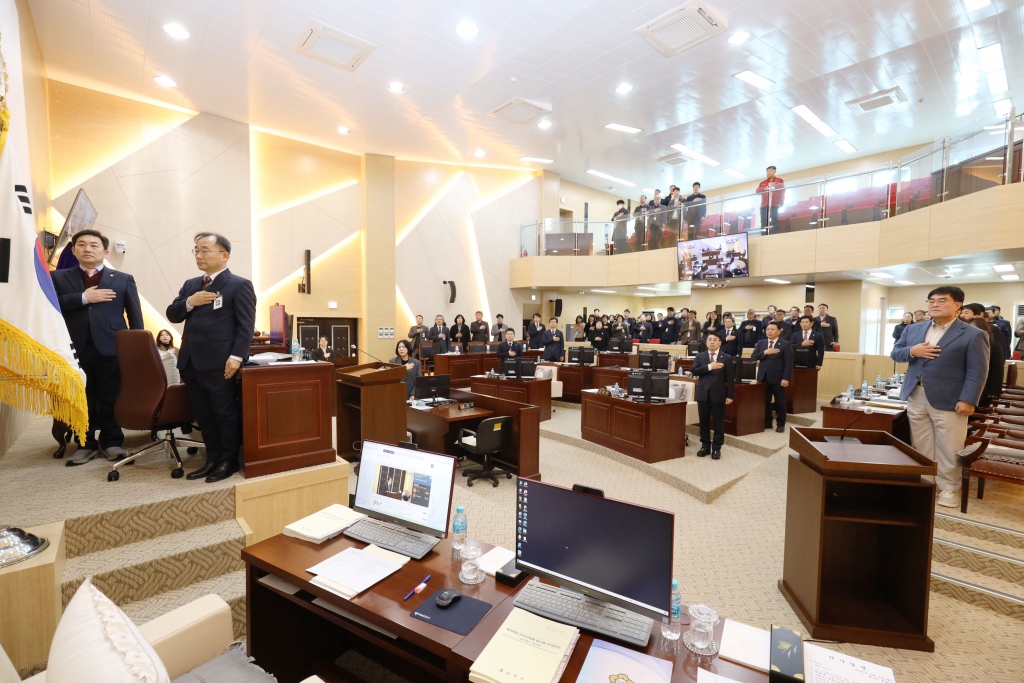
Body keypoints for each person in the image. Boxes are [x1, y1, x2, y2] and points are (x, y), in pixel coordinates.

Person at [167, 232, 256, 483]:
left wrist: (237, 356)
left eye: (205, 250)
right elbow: (173, 314)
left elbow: (245, 326)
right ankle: (212, 459)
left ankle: (227, 461)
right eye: (196, 250)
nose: (199, 255)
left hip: (220, 362)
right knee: (203, 414)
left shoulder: (239, 284)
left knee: (223, 413)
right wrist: (190, 302)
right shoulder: (190, 285)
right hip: (191, 361)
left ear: (224, 255)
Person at [51, 229, 144, 466]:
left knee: (111, 395)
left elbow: (135, 317)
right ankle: (86, 443)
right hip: (74, 347)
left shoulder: (123, 279)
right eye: (81, 245)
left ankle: (112, 441)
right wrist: (83, 298)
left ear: (104, 251)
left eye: (94, 245)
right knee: (82, 397)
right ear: (73, 251)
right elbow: (50, 308)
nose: (87, 249)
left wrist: (136, 349)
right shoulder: (58, 277)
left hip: (112, 346)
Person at [891, 286, 989, 508]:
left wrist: (969, 399)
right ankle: (928, 482)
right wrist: (911, 352)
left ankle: (949, 488)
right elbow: (896, 352)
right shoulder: (913, 330)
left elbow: (978, 371)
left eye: (941, 301)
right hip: (916, 394)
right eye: (931, 301)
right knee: (922, 443)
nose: (934, 304)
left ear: (957, 305)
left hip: (951, 399)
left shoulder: (974, 334)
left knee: (949, 446)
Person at [692, 331, 735, 459]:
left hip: (719, 394)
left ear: (720, 343)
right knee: (704, 422)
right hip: (703, 394)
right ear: (706, 342)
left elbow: (730, 379)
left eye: (714, 339)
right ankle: (705, 446)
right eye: (709, 339)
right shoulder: (700, 356)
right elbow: (694, 371)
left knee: (719, 423)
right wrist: (710, 366)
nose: (711, 342)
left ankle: (716, 448)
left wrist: (730, 396)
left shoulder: (726, 358)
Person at [752, 321, 793, 432]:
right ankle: (767, 422)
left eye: (772, 329)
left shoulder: (785, 344)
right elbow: (753, 357)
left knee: (780, 403)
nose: (769, 331)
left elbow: (789, 363)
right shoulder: (761, 343)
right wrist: (765, 352)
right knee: (765, 402)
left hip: (778, 378)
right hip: (763, 378)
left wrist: (786, 378)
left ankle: (780, 424)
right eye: (768, 329)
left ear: (779, 331)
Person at [967, 318, 1004, 408]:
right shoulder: (965, 344)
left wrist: (994, 391)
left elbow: (997, 370)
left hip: (985, 388)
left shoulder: (993, 346)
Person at [756, 165, 785, 233]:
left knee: (774, 219)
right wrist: (767, 186)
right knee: (763, 220)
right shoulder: (763, 183)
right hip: (764, 205)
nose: (769, 173)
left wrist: (781, 202)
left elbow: (782, 192)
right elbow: (757, 191)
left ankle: (775, 234)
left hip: (774, 203)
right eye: (768, 171)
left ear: (775, 171)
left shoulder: (779, 181)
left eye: (771, 171)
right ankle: (763, 235)